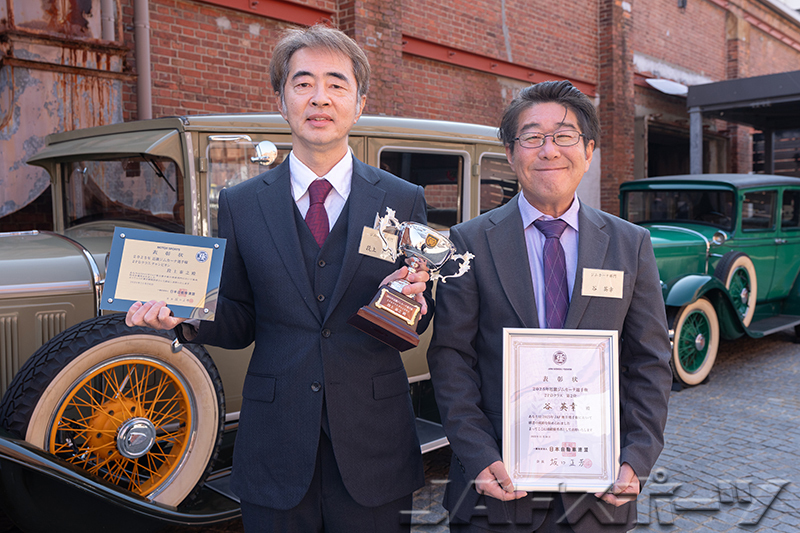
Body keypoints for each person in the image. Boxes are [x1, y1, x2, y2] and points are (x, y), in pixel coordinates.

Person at [126, 24, 433, 533]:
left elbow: (419, 312)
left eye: (336, 84)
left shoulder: (403, 198)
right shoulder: (242, 203)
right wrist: (184, 316)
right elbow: (241, 317)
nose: (320, 98)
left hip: (374, 438)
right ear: (281, 101)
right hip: (275, 439)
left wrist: (414, 303)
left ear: (359, 104)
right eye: (303, 83)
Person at [426, 80, 672, 533]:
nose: (549, 150)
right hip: (495, 486)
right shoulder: (470, 241)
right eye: (532, 137)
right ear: (510, 151)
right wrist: (478, 455)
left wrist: (636, 457)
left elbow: (650, 361)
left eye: (564, 135)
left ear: (589, 150)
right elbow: (451, 358)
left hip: (600, 487)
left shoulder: (629, 244)